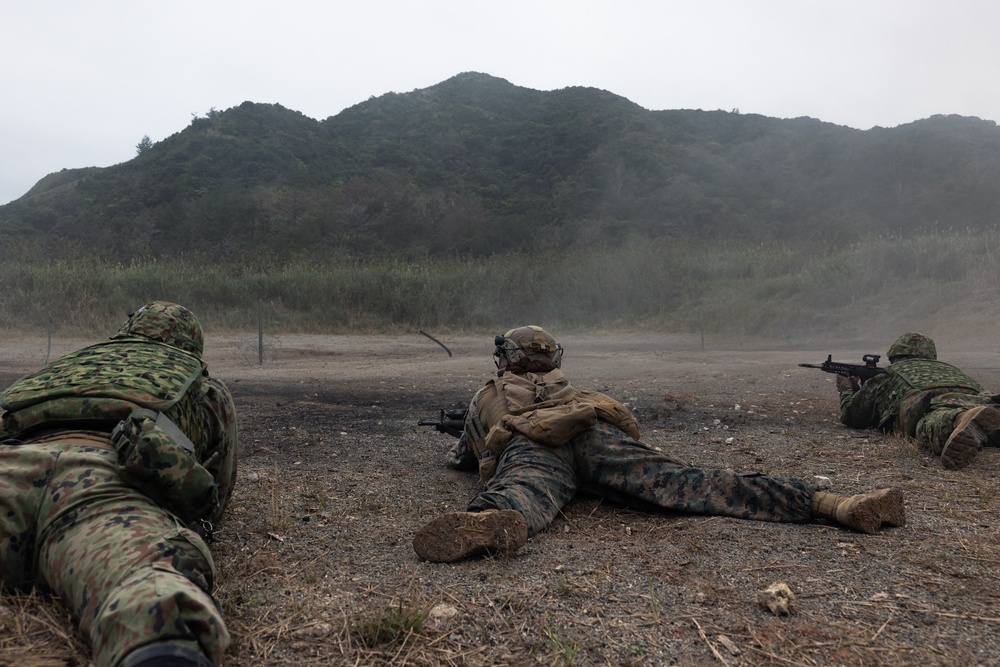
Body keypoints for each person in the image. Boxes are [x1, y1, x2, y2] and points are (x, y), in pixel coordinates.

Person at [412, 326, 904, 563]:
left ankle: (490, 522)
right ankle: (835, 503)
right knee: (692, 481)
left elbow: (470, 454)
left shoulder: (488, 396)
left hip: (531, 446)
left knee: (522, 492)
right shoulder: (575, 395)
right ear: (550, 359)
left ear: (507, 359)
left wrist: (459, 450)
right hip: (595, 437)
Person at [0, 302, 238, 667]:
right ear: (192, 345)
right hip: (102, 482)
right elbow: (214, 490)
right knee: (146, 589)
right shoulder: (202, 388)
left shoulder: (73, 365)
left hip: (14, 462)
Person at [837, 332, 1000, 470]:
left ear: (896, 356)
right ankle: (975, 420)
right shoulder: (951, 369)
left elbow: (854, 416)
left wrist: (846, 389)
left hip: (933, 403)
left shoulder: (891, 372)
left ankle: (958, 419)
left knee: (929, 423)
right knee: (991, 426)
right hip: (979, 400)